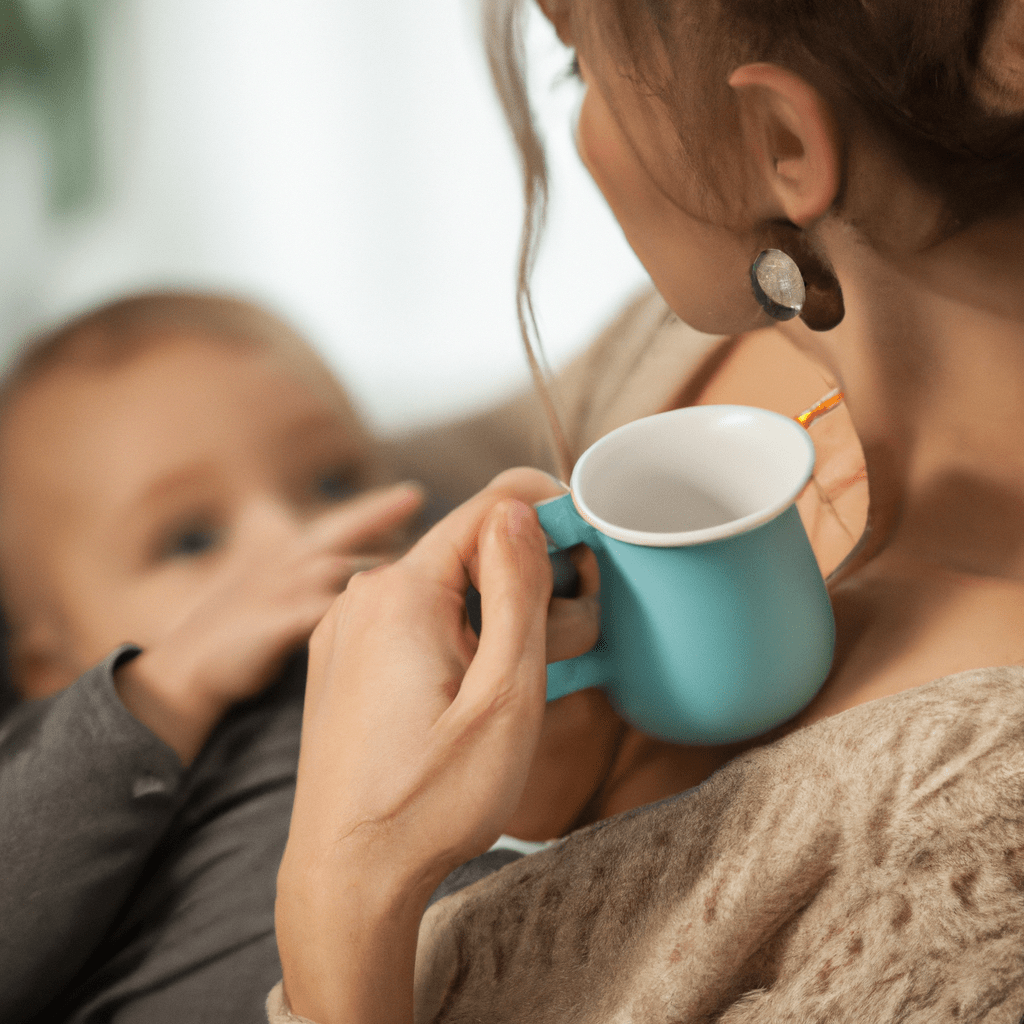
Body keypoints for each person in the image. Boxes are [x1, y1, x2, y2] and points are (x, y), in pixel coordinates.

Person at [269, 0, 1024, 1019]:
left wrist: (343, 894)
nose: (582, 138)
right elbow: (437, 447)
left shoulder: (969, 862)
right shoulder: (710, 343)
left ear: (783, 142)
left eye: (579, 71)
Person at [0, 290, 426, 1023]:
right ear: (54, 668)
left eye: (334, 482)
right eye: (191, 540)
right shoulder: (61, 763)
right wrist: (162, 689)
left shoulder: (431, 613)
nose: (288, 539)